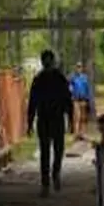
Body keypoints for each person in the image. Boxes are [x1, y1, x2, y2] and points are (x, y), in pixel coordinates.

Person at [26, 50, 73, 196]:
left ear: (52, 61)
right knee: (45, 152)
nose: (47, 63)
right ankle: (46, 183)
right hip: (45, 120)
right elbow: (32, 102)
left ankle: (55, 174)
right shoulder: (38, 79)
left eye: (48, 60)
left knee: (58, 150)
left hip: (56, 119)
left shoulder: (60, 78)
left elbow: (67, 99)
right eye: (45, 60)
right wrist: (29, 122)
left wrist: (70, 119)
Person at [69, 62, 94, 139]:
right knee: (77, 117)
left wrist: (89, 99)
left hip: (83, 99)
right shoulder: (73, 78)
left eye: (80, 67)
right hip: (76, 100)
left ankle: (82, 134)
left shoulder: (84, 78)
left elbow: (88, 89)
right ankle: (76, 134)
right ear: (75, 68)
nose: (78, 69)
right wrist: (71, 94)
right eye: (77, 67)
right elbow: (70, 88)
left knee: (83, 118)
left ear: (82, 68)